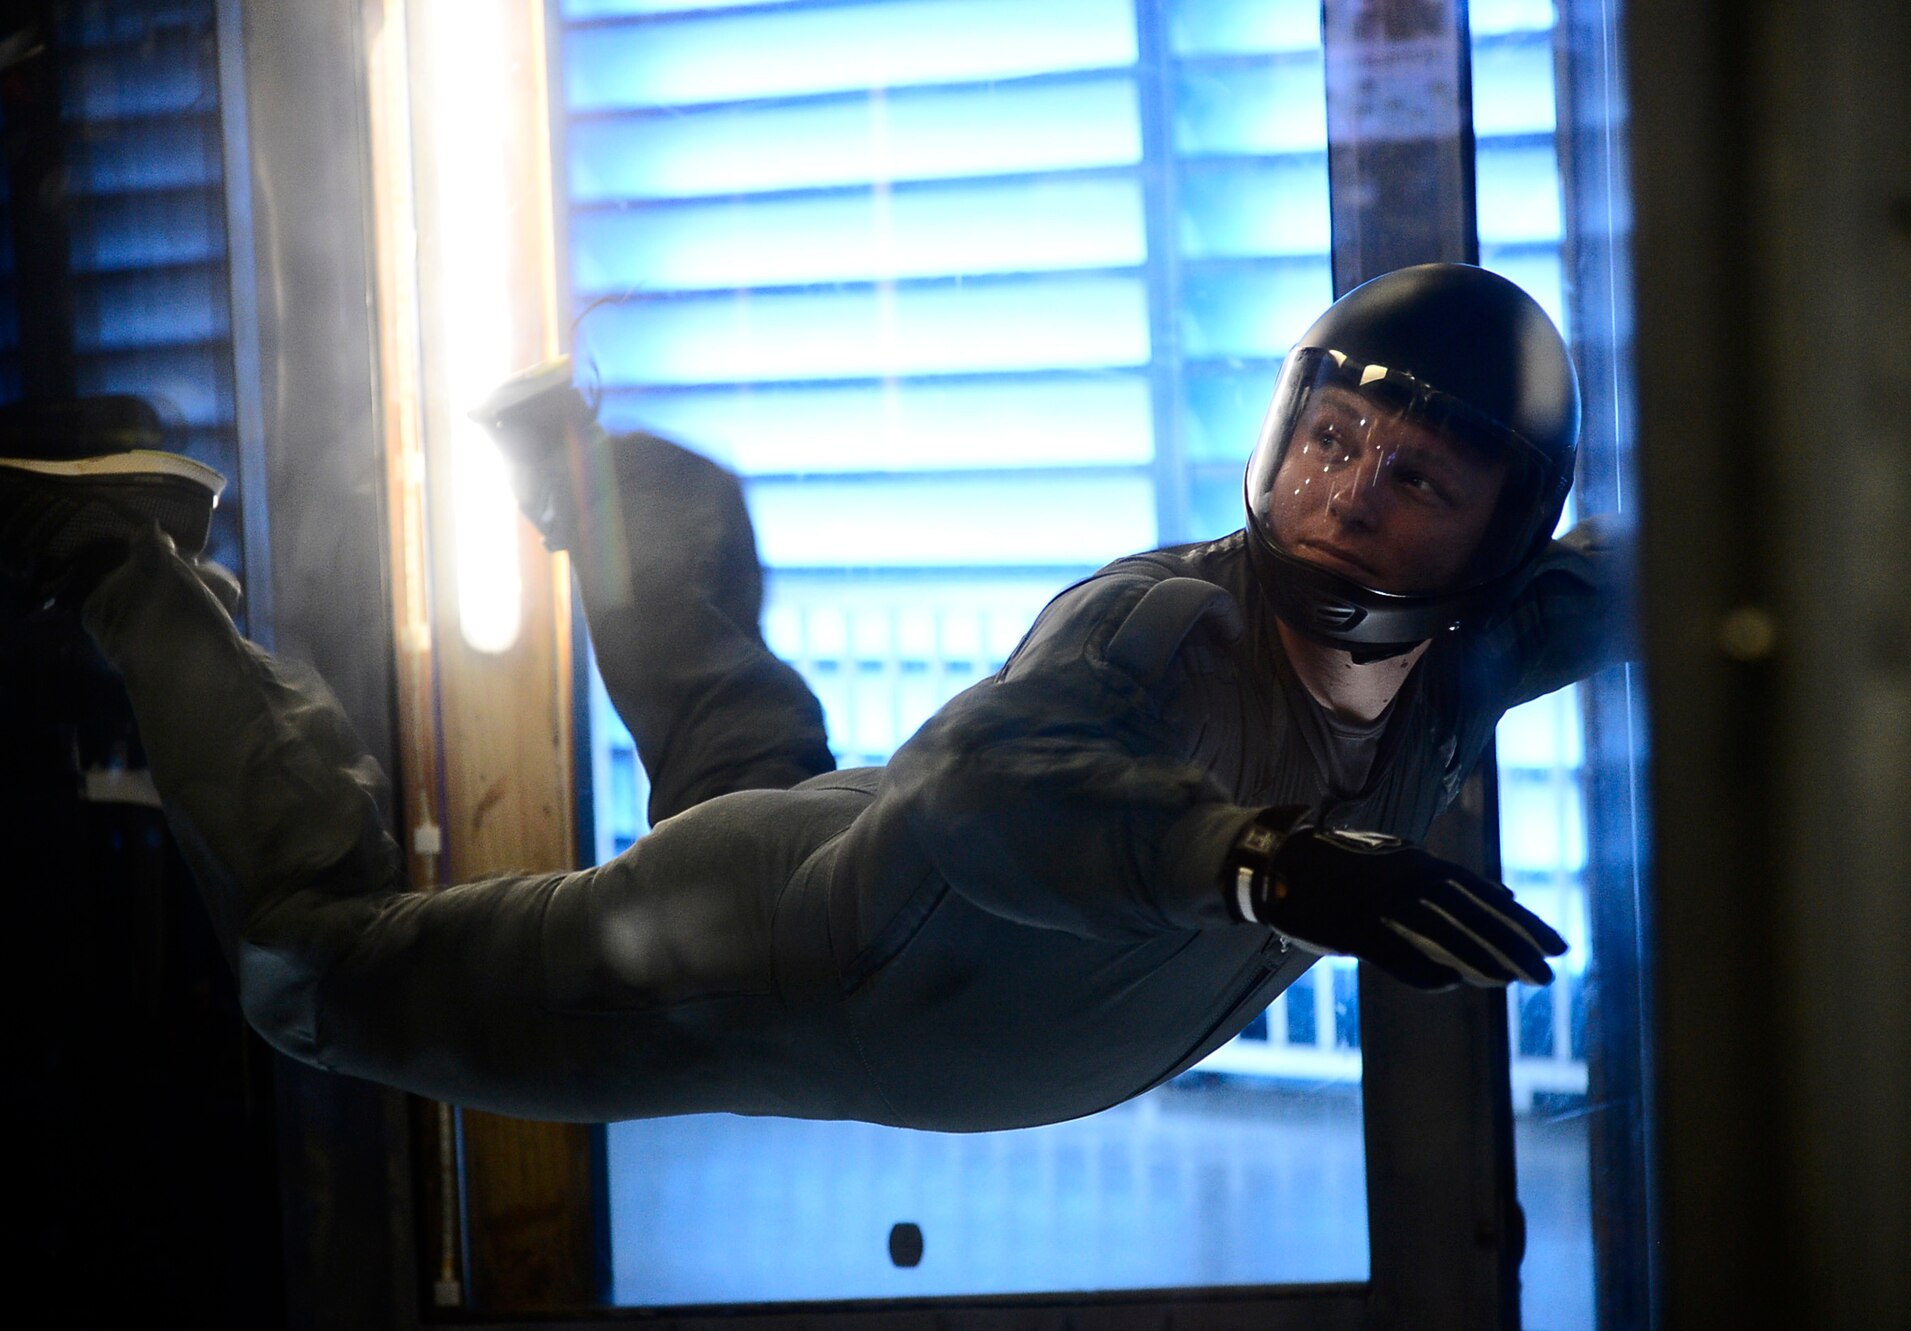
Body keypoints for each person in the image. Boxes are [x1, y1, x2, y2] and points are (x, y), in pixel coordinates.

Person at [0, 263, 1623, 1130]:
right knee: (310, 981)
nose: (1350, 491)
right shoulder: (1168, 628)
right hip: (787, 967)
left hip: (863, 913)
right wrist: (1260, 858)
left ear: (1500, 528)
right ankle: (123, 543)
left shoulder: (1468, 657)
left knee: (740, 765)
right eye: (1334, 439)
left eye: (1416, 475)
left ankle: (580, 467)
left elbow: (1674, 565)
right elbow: (988, 789)